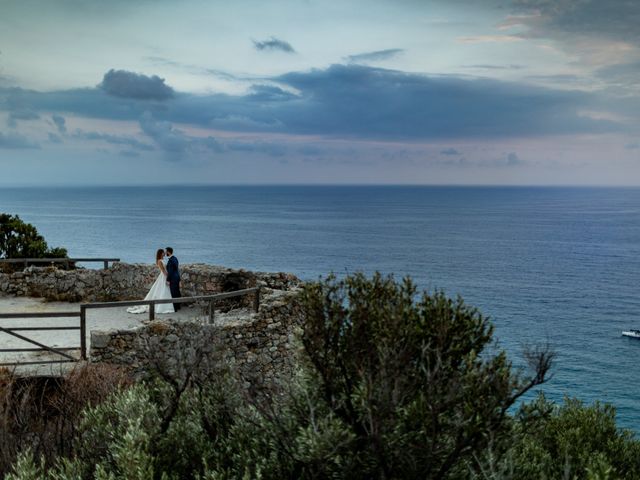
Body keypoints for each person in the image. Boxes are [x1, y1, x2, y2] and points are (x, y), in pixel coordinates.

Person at [127, 249, 174, 314]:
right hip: (163, 276)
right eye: (163, 253)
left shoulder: (163, 260)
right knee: (163, 289)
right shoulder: (159, 261)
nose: (164, 254)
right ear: (160, 253)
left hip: (164, 276)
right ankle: (162, 306)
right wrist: (168, 277)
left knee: (164, 290)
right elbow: (163, 271)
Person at [165, 246, 182, 311]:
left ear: (168, 252)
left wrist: (168, 280)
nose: (165, 253)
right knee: (177, 291)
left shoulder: (171, 260)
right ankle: (178, 305)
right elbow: (176, 269)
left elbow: (170, 271)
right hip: (177, 277)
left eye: (166, 251)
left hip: (173, 278)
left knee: (173, 292)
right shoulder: (175, 258)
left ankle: (175, 307)